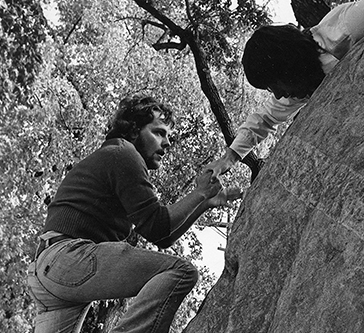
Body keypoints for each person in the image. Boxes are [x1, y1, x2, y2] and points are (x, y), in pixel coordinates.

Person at [27, 95, 242, 333]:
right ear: (134, 130)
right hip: (67, 259)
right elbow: (158, 226)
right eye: (159, 133)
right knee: (181, 272)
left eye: (168, 135)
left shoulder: (115, 155)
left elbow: (162, 238)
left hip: (50, 272)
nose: (167, 142)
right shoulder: (124, 154)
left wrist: (204, 202)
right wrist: (199, 194)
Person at [206, 0, 364, 179]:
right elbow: (264, 120)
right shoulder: (298, 83)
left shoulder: (351, 25)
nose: (279, 94)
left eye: (274, 85)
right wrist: (227, 160)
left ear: (288, 65)